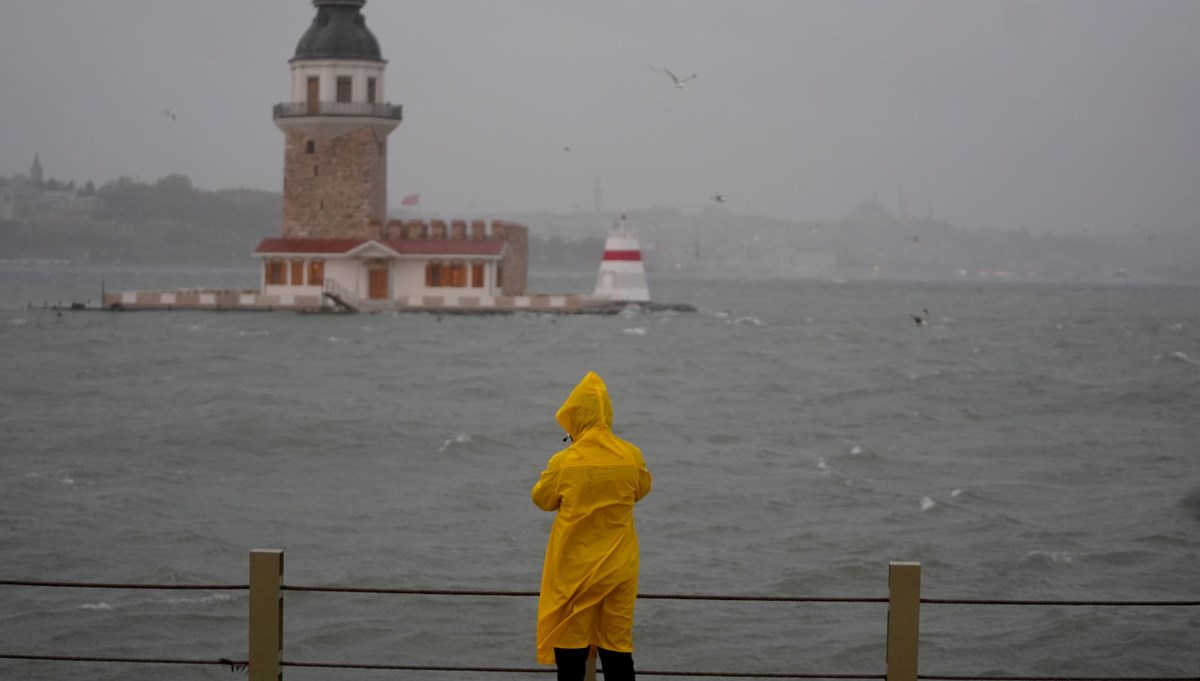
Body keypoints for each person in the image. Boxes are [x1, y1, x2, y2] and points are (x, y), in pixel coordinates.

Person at [532, 371, 653, 681]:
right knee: (617, 649)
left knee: (571, 653)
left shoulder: (564, 462)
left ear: (574, 418)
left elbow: (542, 499)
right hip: (618, 567)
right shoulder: (631, 455)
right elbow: (641, 489)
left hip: (574, 571)